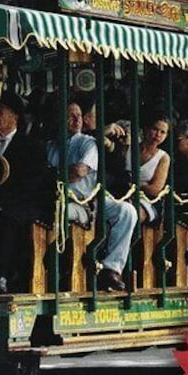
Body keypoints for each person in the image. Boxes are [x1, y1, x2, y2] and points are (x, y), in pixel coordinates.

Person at [0, 91, 50, 293]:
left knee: (8, 220)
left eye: (0, 112)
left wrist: (1, 205)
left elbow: (32, 184)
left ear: (15, 117)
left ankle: (2, 275)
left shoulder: (32, 146)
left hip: (22, 204)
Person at [62, 100, 137, 291]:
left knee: (127, 211)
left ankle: (111, 268)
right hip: (72, 197)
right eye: (96, 116)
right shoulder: (63, 140)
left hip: (93, 195)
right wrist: (101, 134)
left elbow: (119, 173)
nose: (77, 120)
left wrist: (114, 148)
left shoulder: (92, 141)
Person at [135, 115, 171, 225]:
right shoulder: (130, 148)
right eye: (155, 129)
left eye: (162, 132)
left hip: (146, 201)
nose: (158, 135)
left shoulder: (163, 157)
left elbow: (155, 189)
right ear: (146, 129)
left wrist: (135, 185)